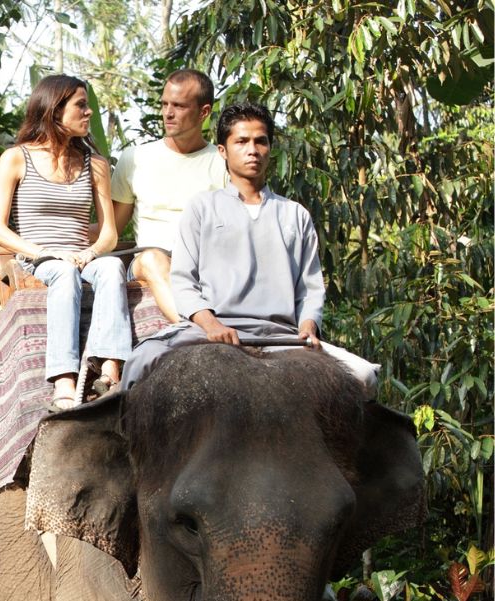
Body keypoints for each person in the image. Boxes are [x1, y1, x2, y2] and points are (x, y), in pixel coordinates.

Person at [121, 103, 379, 394]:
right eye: (241, 142)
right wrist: (211, 325)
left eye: (261, 141)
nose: (252, 150)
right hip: (208, 332)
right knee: (140, 363)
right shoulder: (202, 208)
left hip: (282, 338)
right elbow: (182, 281)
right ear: (223, 151)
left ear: (270, 148)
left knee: (364, 376)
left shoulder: (295, 214)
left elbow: (310, 288)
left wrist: (308, 326)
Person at [0, 74, 128, 411]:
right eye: (80, 105)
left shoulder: (95, 165)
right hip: (38, 257)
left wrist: (89, 253)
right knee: (63, 273)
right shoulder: (16, 158)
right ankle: (64, 381)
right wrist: (44, 252)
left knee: (111, 265)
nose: (88, 112)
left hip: (83, 256)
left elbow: (109, 233)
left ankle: (108, 370)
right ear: (54, 109)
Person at [110, 69, 227, 323]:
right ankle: (196, 328)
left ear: (204, 112)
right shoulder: (134, 159)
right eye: (164, 104)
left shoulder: (222, 162)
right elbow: (111, 230)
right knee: (153, 258)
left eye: (179, 106)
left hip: (203, 267)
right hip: (148, 261)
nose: (168, 113)